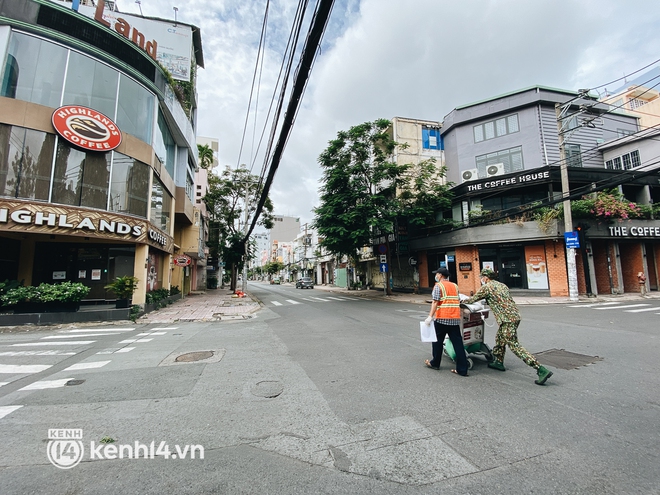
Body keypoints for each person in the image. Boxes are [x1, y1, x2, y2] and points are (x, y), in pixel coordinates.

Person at [463, 268, 553, 385]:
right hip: (514, 316)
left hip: (507, 319)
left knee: (514, 345)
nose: (481, 279)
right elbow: (500, 299)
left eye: (482, 277)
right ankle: (498, 362)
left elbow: (473, 299)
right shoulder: (503, 286)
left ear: (486, 277)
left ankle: (540, 369)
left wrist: (461, 301)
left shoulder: (487, 287)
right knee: (500, 339)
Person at [424, 268, 469, 376]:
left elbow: (435, 302)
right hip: (454, 319)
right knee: (458, 344)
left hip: (442, 319)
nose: (436, 276)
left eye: (437, 274)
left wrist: (430, 317)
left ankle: (435, 363)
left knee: (437, 342)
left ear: (440, 275)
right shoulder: (455, 286)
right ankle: (462, 369)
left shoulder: (438, 286)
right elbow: (457, 299)